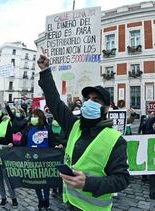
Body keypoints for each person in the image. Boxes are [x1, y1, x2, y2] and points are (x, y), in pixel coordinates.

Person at [37, 54, 130, 211]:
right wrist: (46, 70)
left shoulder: (115, 139)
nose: (89, 102)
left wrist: (87, 183)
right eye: (88, 98)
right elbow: (54, 102)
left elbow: (122, 179)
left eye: (96, 100)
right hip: (70, 203)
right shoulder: (74, 125)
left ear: (106, 108)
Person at [19, 108, 61, 210]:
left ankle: (46, 200)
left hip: (45, 161)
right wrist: (13, 144)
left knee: (45, 182)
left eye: (35, 116)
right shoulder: (28, 128)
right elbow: (22, 142)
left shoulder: (47, 128)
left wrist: (58, 145)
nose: (33, 118)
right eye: (32, 116)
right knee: (36, 182)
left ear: (40, 117)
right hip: (32, 160)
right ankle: (40, 200)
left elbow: (53, 141)